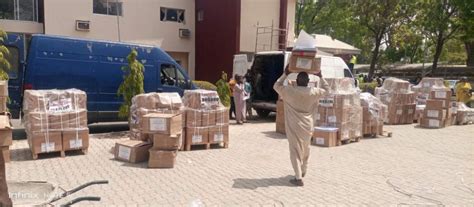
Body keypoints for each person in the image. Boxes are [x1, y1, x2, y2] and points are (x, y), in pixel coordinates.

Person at [273, 66, 328, 186]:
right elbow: (327, 90)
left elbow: (276, 86)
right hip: (308, 125)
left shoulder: (289, 91)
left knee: (294, 150)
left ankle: (298, 178)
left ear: (296, 81)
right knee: (306, 148)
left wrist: (285, 74)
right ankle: (303, 170)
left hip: (294, 124)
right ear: (308, 82)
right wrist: (321, 76)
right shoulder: (313, 92)